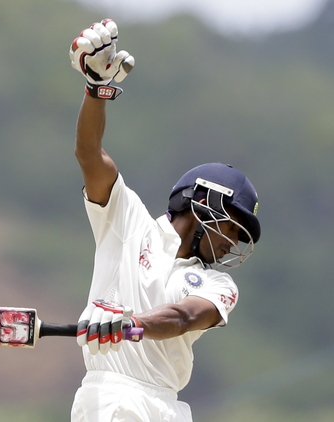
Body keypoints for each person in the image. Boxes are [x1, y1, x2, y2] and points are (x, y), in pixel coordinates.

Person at [68, 19, 261, 421]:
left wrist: (128, 323)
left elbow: (184, 317)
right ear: (205, 201)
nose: (232, 244)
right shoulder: (127, 222)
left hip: (167, 406)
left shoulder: (218, 284)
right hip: (111, 396)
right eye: (232, 227)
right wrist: (96, 90)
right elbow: (90, 154)